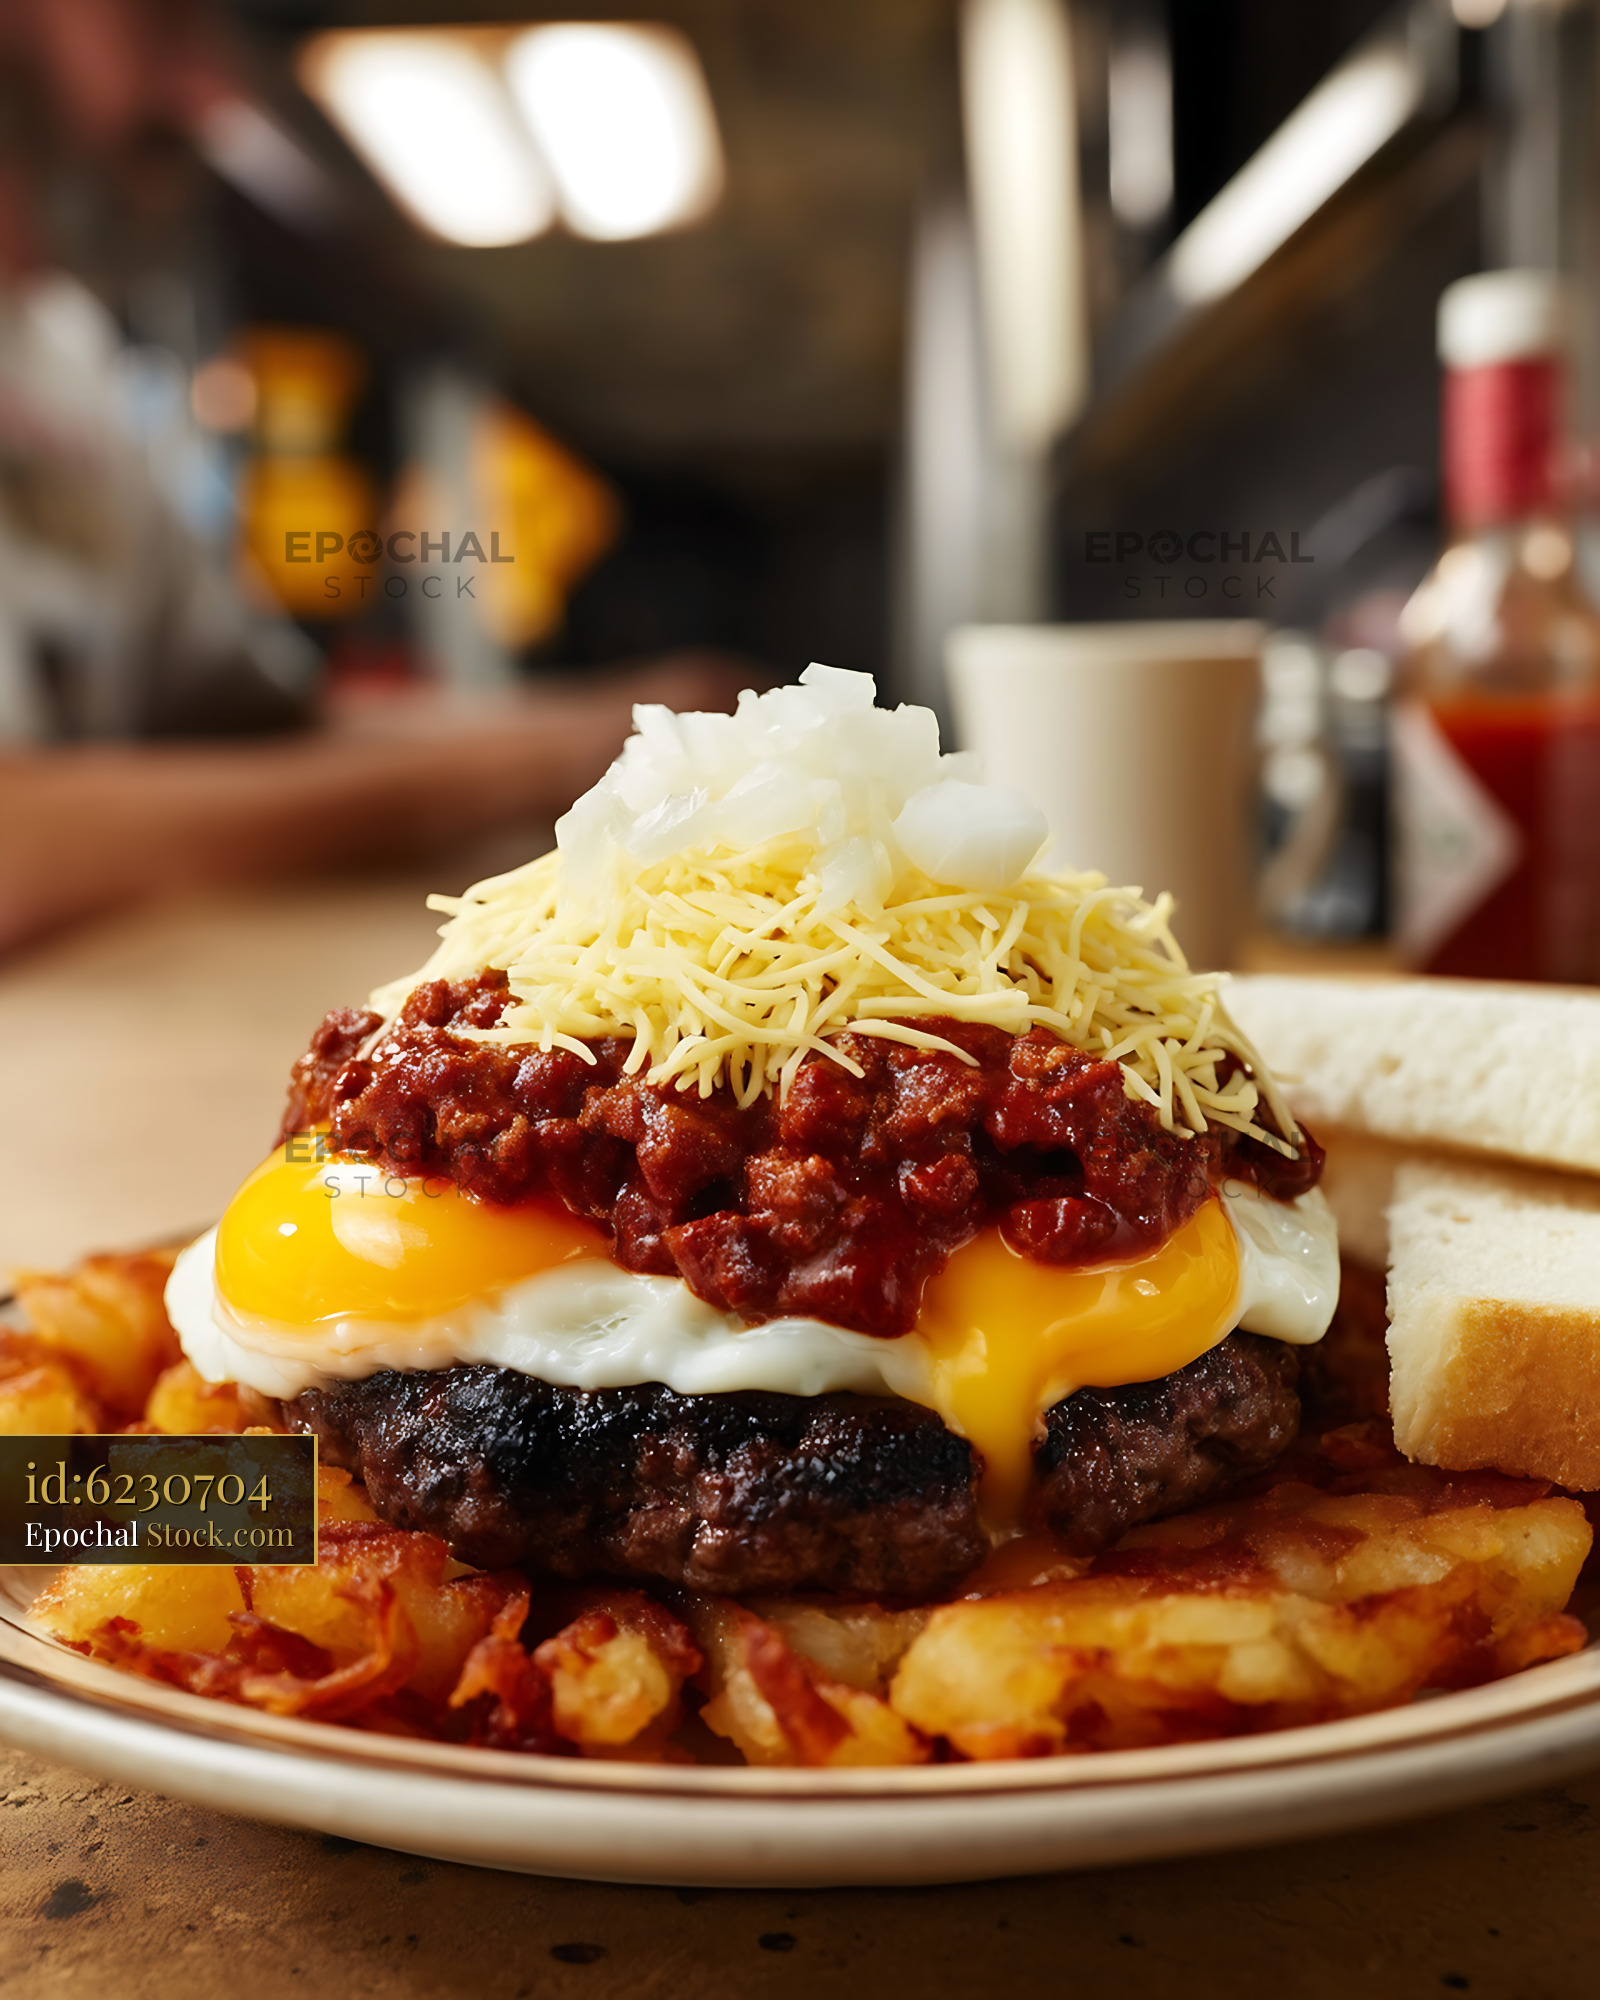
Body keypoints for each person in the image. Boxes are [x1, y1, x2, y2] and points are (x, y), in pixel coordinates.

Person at [0, 0, 754, 954]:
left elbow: (251, 728)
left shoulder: (64, 365)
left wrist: (645, 727)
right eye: (162, 21)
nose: (216, 91)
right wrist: (545, 760)